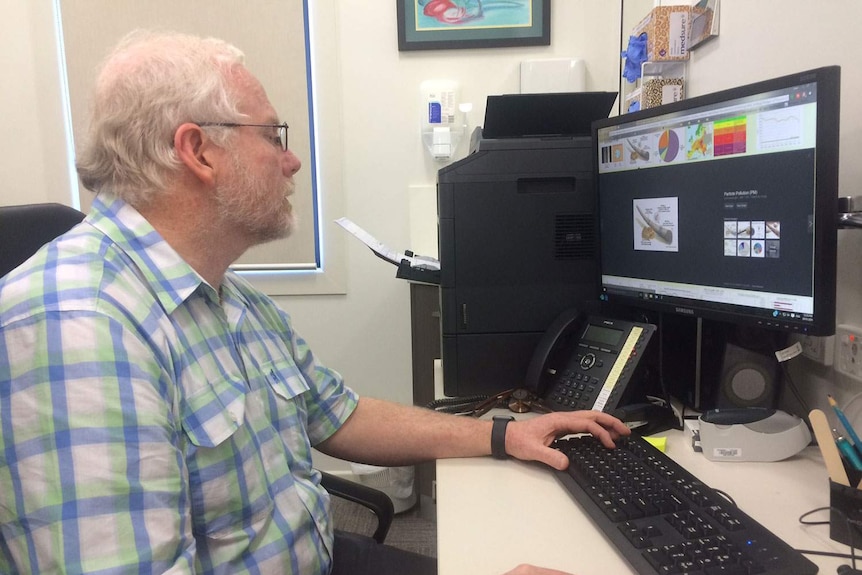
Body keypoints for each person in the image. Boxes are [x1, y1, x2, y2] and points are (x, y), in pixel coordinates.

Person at [0, 30, 630, 575]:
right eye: (273, 135)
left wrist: (502, 435)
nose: (292, 159)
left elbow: (339, 415)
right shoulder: (78, 325)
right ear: (197, 152)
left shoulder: (227, 296)